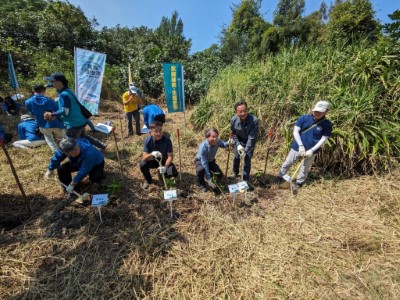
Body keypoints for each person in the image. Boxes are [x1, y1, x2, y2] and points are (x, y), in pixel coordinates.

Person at [275, 100, 333, 191]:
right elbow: (295, 132)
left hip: (312, 150)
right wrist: (301, 146)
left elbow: (323, 139)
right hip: (297, 147)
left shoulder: (327, 124)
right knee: (288, 162)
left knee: (305, 167)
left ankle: (299, 182)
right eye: (316, 111)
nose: (317, 113)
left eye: (320, 112)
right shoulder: (304, 118)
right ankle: (280, 176)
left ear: (326, 112)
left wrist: (312, 150)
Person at [43, 73, 106, 150]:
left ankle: (84, 153)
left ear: (59, 82)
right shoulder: (67, 90)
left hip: (74, 124)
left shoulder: (64, 95)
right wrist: (48, 86)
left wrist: (52, 114)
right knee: (84, 136)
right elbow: (56, 86)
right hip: (81, 120)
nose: (51, 83)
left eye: (52, 82)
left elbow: (65, 111)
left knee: (71, 144)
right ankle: (102, 145)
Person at [25, 84, 66, 153]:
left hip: (42, 124)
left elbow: (32, 113)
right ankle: (66, 151)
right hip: (56, 123)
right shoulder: (49, 101)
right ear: (43, 91)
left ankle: (56, 153)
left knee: (49, 139)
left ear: (33, 91)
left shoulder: (28, 102)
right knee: (62, 139)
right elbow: (58, 111)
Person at [140, 121, 178, 189]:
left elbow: (170, 156)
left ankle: (166, 176)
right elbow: (144, 157)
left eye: (160, 130)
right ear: (151, 132)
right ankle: (148, 180)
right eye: (156, 131)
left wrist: (166, 167)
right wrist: (152, 154)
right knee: (143, 165)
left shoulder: (167, 140)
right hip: (153, 161)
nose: (159, 133)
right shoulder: (147, 140)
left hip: (164, 161)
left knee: (173, 174)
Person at [195, 128, 234, 192]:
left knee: (220, 175)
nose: (215, 139)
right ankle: (201, 183)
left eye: (216, 136)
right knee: (201, 170)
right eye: (213, 137)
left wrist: (229, 142)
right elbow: (204, 163)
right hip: (201, 161)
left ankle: (216, 182)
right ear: (207, 137)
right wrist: (208, 178)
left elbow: (223, 144)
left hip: (211, 161)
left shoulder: (217, 141)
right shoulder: (203, 147)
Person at [230, 100, 259, 182]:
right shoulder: (233, 120)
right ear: (236, 112)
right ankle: (235, 173)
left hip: (249, 141)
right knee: (236, 157)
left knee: (247, 159)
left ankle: (245, 179)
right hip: (238, 140)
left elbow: (252, 137)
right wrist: (238, 145)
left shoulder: (254, 120)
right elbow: (234, 133)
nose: (243, 113)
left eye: (245, 111)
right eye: (240, 112)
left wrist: (246, 150)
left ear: (247, 110)